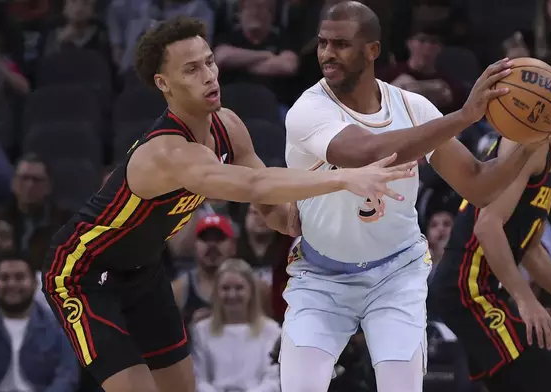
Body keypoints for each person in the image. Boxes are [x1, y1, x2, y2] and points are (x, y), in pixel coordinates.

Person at [40, 16, 419, 392]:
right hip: (83, 273)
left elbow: (269, 203)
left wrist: (311, 221)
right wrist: (344, 178)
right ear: (163, 83)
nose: (208, 75)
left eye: (209, 61)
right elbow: (255, 181)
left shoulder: (227, 125)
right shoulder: (167, 153)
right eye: (191, 69)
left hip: (143, 269)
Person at [280, 2, 551, 392]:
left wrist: (529, 140)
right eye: (323, 43)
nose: (327, 54)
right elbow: (366, 151)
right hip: (322, 275)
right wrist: (463, 116)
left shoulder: (413, 107)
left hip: (395, 273)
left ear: (372, 50)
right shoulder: (308, 109)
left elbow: (479, 185)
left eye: (340, 44)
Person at [429, 46, 551, 392]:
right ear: (545, 87)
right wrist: (525, 299)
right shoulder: (527, 142)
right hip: (465, 290)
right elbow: (487, 226)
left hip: (482, 291)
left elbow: (532, 250)